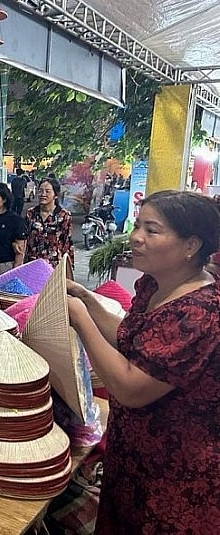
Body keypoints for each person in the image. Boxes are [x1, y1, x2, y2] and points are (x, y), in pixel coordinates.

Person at [66, 190, 220, 533]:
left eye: (152, 230)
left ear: (191, 245)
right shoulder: (155, 285)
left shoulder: (200, 313)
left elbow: (131, 387)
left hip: (175, 475)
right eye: (138, 226)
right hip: (132, 460)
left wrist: (80, 320)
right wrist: (87, 299)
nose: (136, 238)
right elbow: (132, 337)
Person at [24, 177, 74, 267]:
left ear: (55, 195)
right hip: (32, 264)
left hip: (54, 265)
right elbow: (25, 239)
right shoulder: (30, 213)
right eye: (40, 191)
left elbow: (67, 243)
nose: (43, 194)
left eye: (47, 191)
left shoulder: (64, 215)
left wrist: (69, 267)